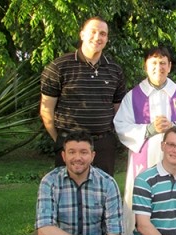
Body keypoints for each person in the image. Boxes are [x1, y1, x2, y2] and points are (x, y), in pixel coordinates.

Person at [114, 46, 176, 235]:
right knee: (141, 208)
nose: (158, 67)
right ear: (146, 66)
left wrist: (175, 126)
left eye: (163, 63)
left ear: (170, 66)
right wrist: (150, 130)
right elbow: (121, 125)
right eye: (153, 63)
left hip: (174, 161)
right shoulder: (134, 96)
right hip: (145, 161)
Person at [40, 16, 127, 176]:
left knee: (103, 196)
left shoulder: (115, 70)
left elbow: (119, 110)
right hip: (70, 144)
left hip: (103, 145)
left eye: (103, 33)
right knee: (67, 196)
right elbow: (46, 110)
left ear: (107, 38)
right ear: (82, 34)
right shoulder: (59, 67)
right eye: (93, 32)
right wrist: (61, 140)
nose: (97, 37)